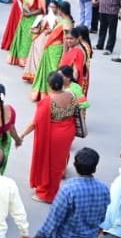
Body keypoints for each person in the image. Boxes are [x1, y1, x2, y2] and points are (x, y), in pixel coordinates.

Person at [20, 72, 79, 203]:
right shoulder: (72, 95)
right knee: (58, 164)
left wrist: (22, 135)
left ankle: (47, 194)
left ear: (49, 85)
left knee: (49, 164)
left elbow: (35, 123)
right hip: (68, 132)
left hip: (54, 135)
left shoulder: (47, 101)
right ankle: (53, 190)